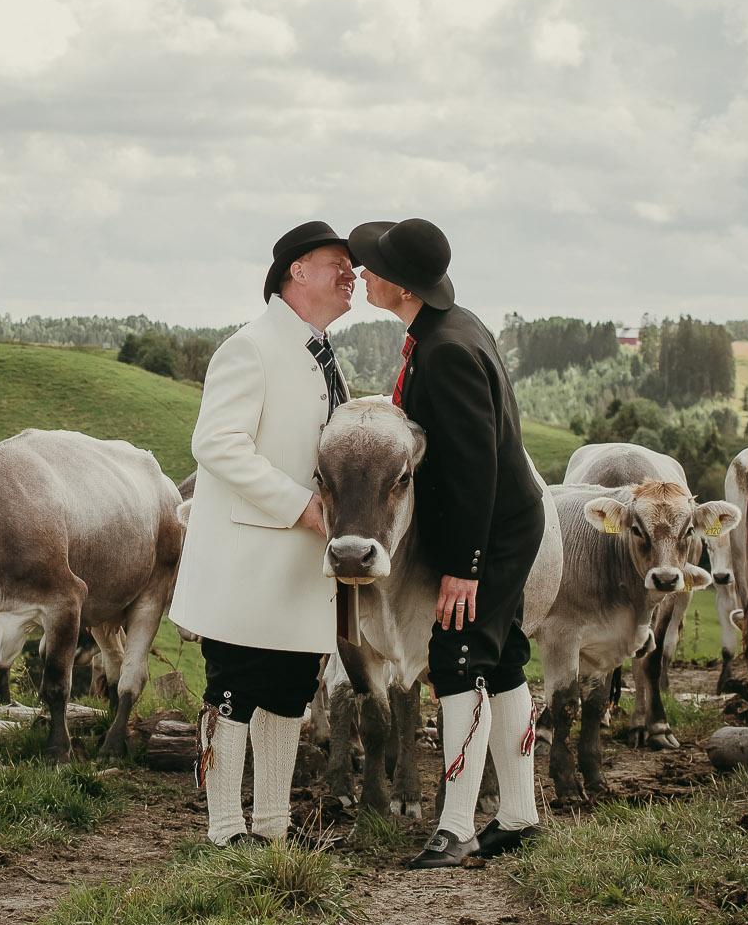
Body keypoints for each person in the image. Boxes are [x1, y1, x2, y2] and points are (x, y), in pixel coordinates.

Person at [348, 217, 545, 869]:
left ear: (401, 285)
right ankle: (518, 816)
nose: (362, 275)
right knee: (504, 658)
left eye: (372, 268)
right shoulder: (445, 329)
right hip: (501, 523)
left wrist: (465, 567)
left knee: (458, 663)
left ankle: (456, 826)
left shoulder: (446, 349)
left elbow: (473, 467)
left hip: (489, 530)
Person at [167, 221, 355, 846]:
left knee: (290, 690)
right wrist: (302, 505)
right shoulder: (250, 346)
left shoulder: (316, 353)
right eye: (338, 263)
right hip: (250, 556)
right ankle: (224, 829)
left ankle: (271, 825)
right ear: (297, 270)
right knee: (235, 689)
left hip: (302, 563)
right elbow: (216, 444)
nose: (350, 274)